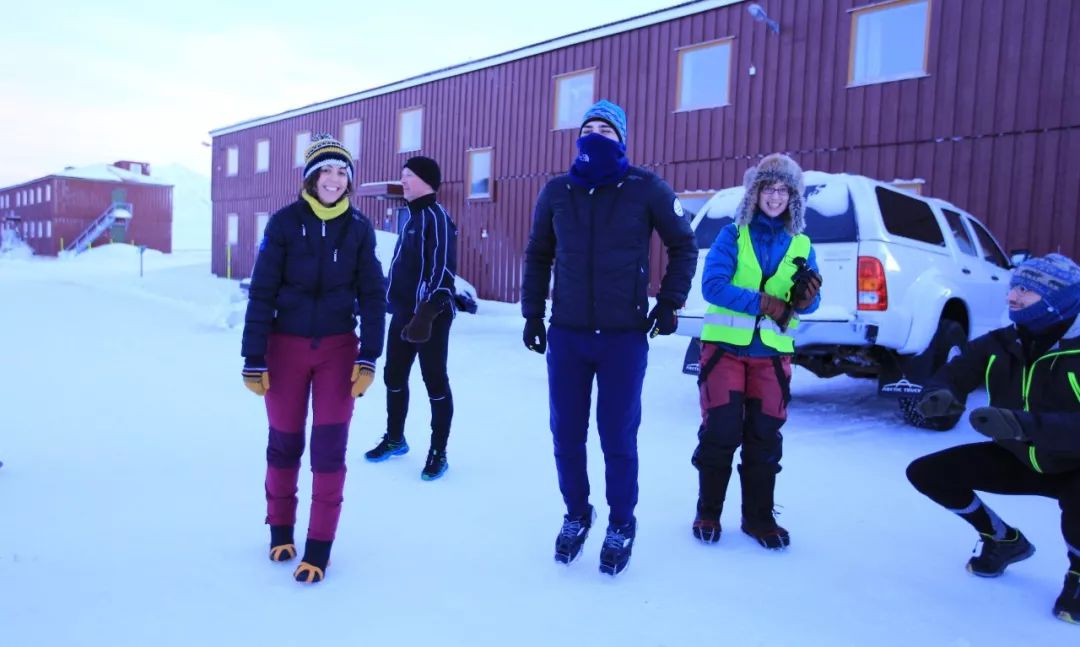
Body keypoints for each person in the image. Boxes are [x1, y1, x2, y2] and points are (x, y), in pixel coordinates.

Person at [521, 99, 697, 576]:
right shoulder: (557, 191)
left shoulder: (646, 188)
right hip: (569, 336)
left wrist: (670, 300)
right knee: (566, 433)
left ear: (622, 138)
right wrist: (533, 314)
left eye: (607, 128)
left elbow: (684, 245)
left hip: (623, 337)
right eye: (589, 127)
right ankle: (577, 513)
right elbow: (538, 255)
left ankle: (621, 521)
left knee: (617, 436)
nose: (597, 134)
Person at [241, 134, 386, 584]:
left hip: (338, 352)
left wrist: (369, 357)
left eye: (342, 172)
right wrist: (253, 355)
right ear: (310, 176)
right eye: (326, 170)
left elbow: (373, 296)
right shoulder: (284, 224)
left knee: (328, 450)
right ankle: (280, 531)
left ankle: (319, 547)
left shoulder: (360, 229)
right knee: (284, 443)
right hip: (284, 348)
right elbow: (262, 291)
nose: (334, 179)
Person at [906, 253, 1080, 625]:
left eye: (1025, 291)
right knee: (927, 472)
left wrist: (1022, 424)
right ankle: (1003, 539)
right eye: (1013, 286)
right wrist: (939, 393)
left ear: (1056, 301)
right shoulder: (1002, 342)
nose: (1011, 297)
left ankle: (1079, 574)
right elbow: (957, 371)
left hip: (1074, 465)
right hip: (1020, 457)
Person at [690, 153, 821, 550]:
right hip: (725, 351)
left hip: (772, 357)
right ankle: (708, 511)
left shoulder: (801, 243)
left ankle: (759, 519)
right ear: (756, 193)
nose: (776, 197)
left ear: (793, 198)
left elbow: (810, 303)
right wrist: (765, 303)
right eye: (769, 188)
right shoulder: (733, 234)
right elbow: (712, 286)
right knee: (721, 431)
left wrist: (805, 297)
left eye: (784, 190)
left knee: (765, 438)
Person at [363, 156, 458, 481]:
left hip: (430, 316)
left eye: (409, 176)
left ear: (427, 180)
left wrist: (426, 314)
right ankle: (395, 438)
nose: (403, 180)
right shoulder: (412, 218)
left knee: (434, 381)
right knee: (393, 377)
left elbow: (443, 270)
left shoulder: (437, 217)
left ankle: (438, 452)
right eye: (402, 175)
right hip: (404, 313)